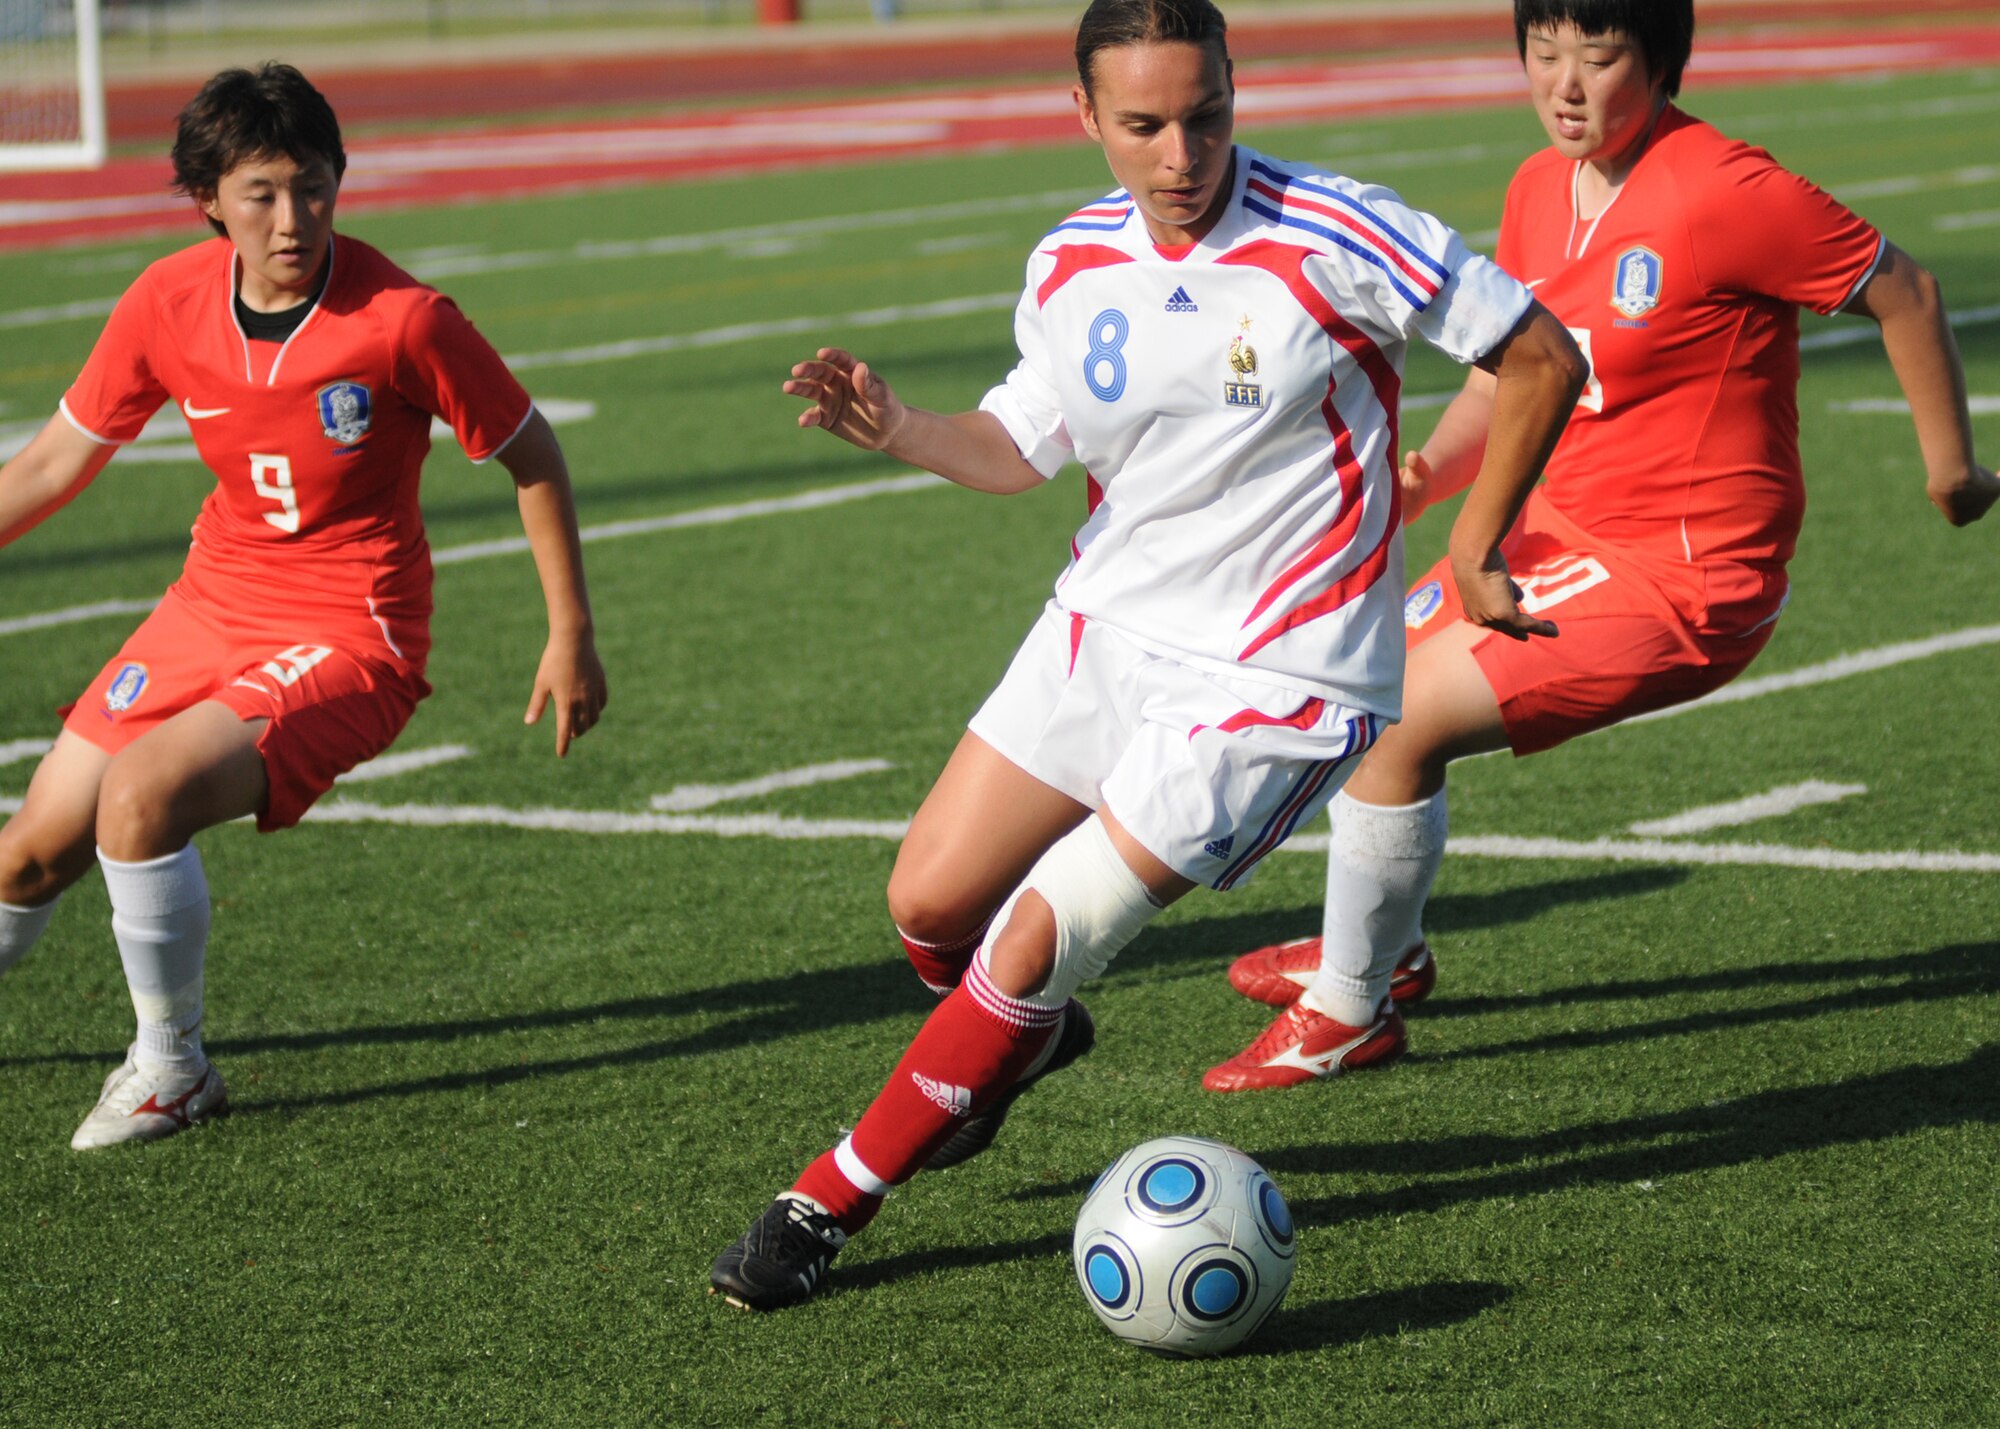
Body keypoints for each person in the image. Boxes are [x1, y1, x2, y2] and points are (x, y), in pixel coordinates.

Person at [708, 0, 1586, 1311]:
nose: (1183, 154)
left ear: (1234, 91)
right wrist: (903, 428)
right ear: (1083, 116)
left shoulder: (1337, 230)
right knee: (929, 907)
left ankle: (823, 1203)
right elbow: (1018, 448)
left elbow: (1541, 354)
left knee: (1032, 937)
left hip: (1280, 676)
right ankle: (1017, 1039)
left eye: (1206, 115)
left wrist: (1472, 541)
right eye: (1144, 125)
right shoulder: (1070, 260)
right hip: (1109, 627)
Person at [1220, 0, 1998, 1084]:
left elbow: (1905, 289)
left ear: (1662, 60)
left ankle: (1351, 1006)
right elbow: (1511, 372)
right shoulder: (1537, 185)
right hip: (1558, 531)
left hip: (1682, 577)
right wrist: (1428, 473)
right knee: (1350, 684)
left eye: (1599, 55)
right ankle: (1384, 947)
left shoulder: (1724, 189)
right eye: (1544, 54)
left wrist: (1951, 470)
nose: (1565, 84)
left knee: (1395, 718)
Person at [0, 64, 609, 1149]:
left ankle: (173, 1068)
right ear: (208, 200)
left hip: (352, 634)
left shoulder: (405, 321)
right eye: (263, 193)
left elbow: (533, 454)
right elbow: (50, 464)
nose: (294, 220)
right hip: (210, 603)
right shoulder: (165, 301)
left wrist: (570, 632)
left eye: (314, 186)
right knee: (31, 850)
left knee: (139, 797)